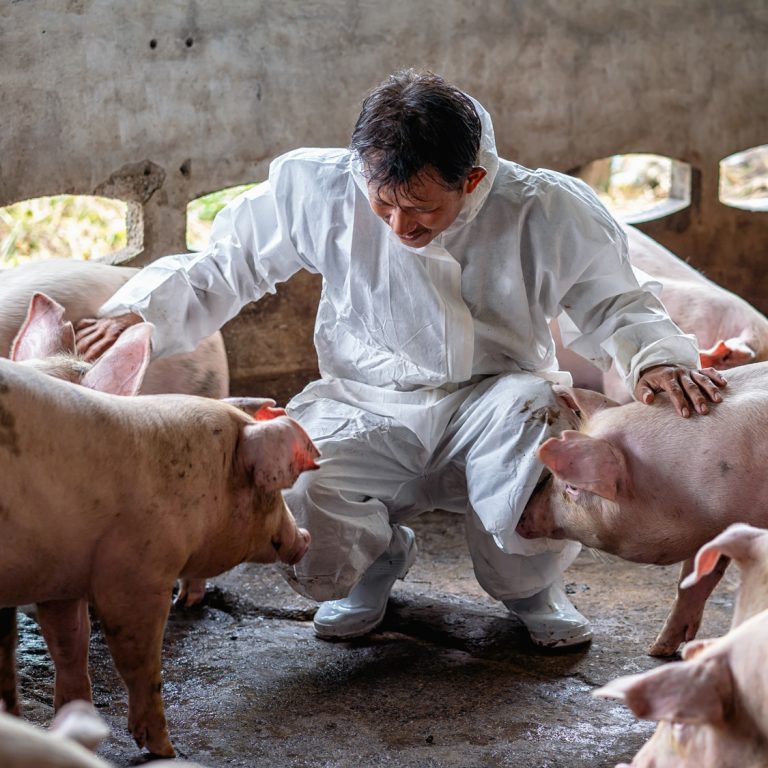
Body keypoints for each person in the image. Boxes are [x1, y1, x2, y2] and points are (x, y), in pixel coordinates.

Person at [75, 69, 726, 648]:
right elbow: (228, 263)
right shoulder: (320, 187)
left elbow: (616, 301)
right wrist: (145, 311)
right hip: (365, 398)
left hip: (496, 396)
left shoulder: (543, 209)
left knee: (543, 438)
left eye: (420, 210)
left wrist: (656, 358)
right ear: (361, 169)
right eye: (382, 204)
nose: (397, 226)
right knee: (298, 479)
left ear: (472, 180)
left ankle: (531, 589)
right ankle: (372, 568)